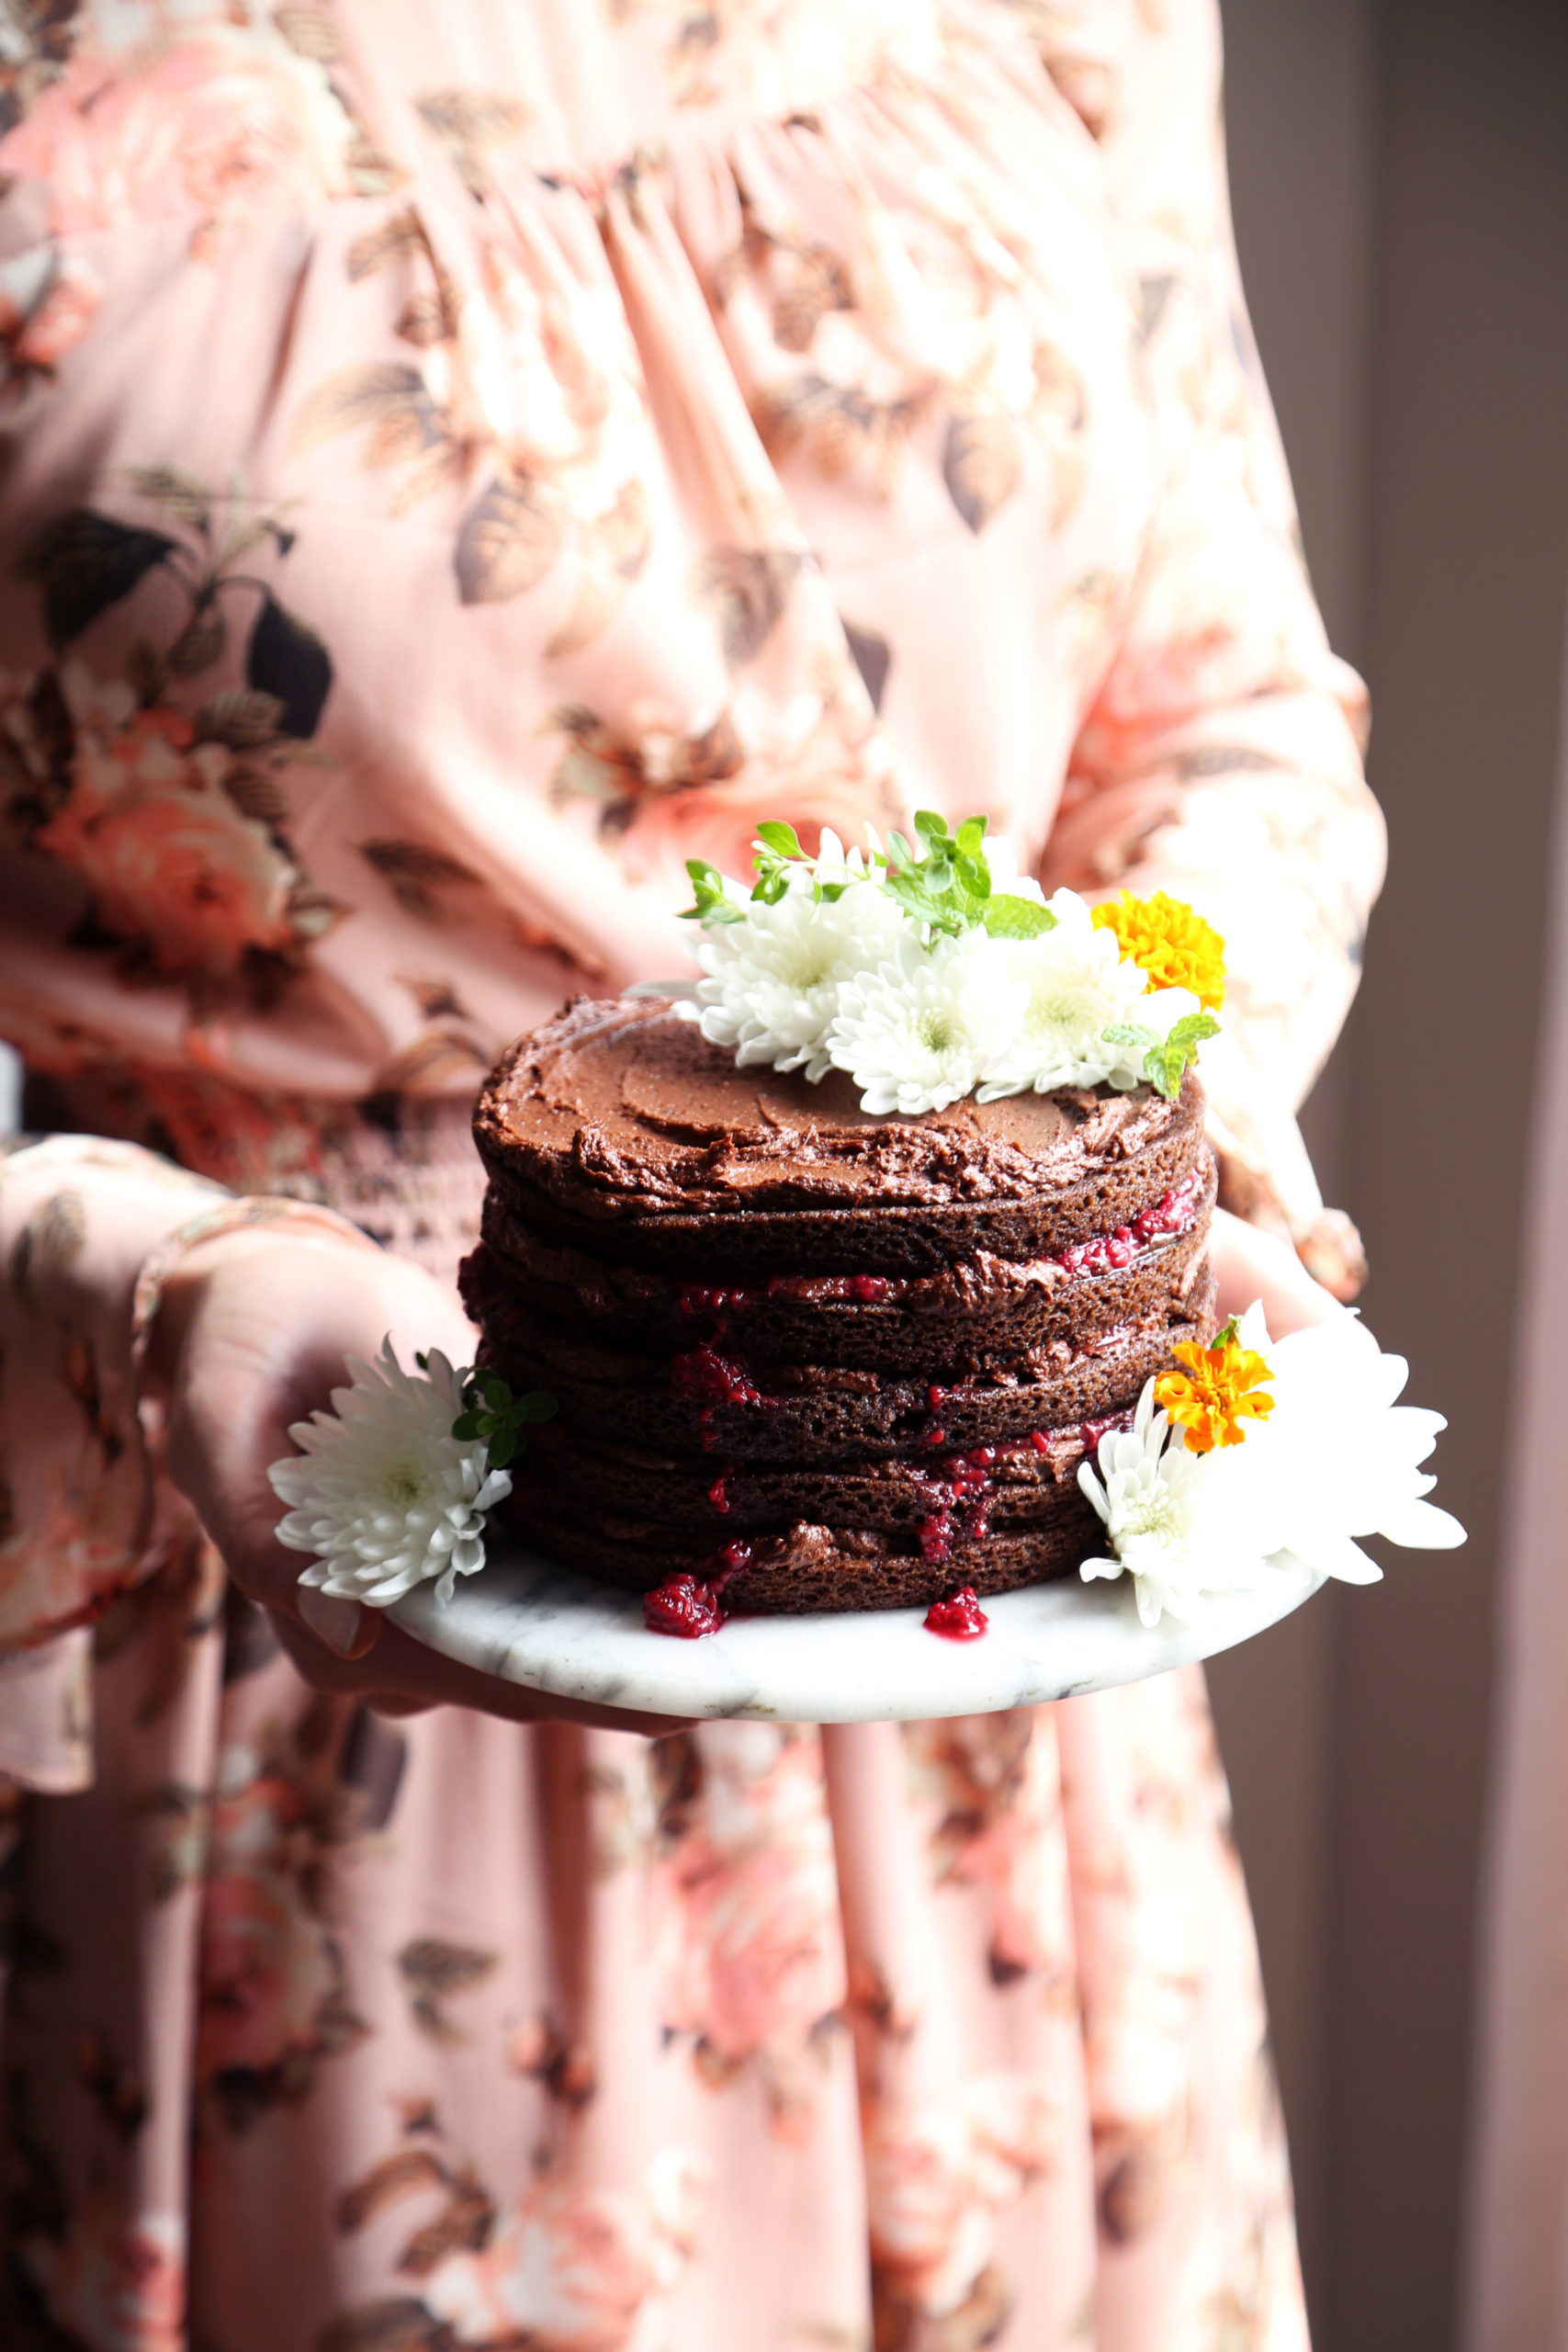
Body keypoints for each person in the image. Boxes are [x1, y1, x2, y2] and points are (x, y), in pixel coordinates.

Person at [0, 0, 1383, 2343]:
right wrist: (130, 1277)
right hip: (321, 1629)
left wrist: (1104, 1168)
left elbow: (1222, 716)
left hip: (1017, 1676)